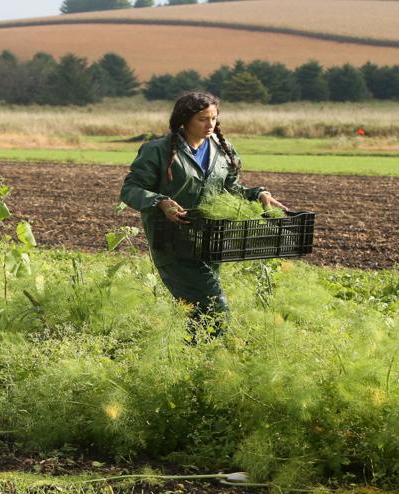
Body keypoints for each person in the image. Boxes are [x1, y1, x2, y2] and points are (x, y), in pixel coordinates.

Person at [119, 91, 290, 343]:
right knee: (215, 304)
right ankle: (211, 357)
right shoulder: (158, 150)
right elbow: (130, 190)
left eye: (213, 118)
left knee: (201, 313)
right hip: (172, 244)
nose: (210, 124)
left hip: (210, 243)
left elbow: (231, 190)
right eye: (202, 119)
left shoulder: (223, 150)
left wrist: (259, 194)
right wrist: (160, 202)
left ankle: (196, 361)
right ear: (185, 119)